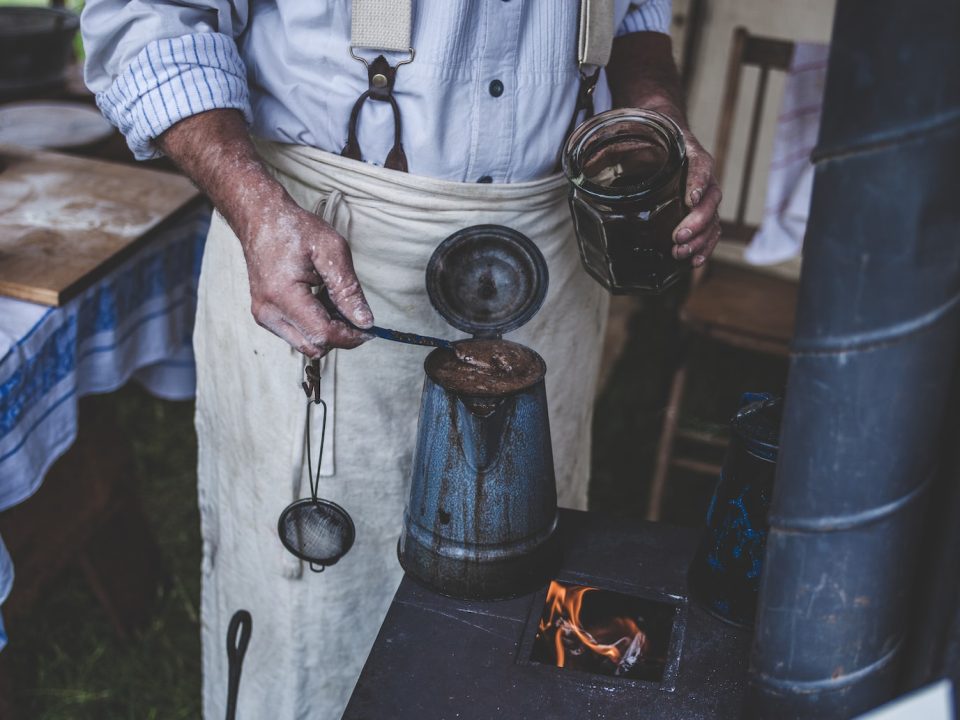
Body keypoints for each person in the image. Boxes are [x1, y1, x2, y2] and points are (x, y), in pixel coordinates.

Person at [81, 1, 722, 717]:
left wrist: (657, 119)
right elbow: (151, 19)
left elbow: (637, 16)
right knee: (317, 608)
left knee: (521, 581)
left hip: (551, 254)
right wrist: (257, 208)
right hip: (319, 241)